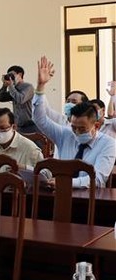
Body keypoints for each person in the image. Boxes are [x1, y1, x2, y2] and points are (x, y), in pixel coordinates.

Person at [33, 56, 116, 188]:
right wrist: (40, 86)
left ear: (96, 126)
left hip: (89, 198)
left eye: (82, 129)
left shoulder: (108, 143)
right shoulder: (65, 134)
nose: (76, 132)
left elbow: (98, 179)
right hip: (59, 192)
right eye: (74, 127)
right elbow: (40, 119)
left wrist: (67, 183)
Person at [0, 65, 37, 134]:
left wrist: (11, 86)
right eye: (9, 75)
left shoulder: (28, 87)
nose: (11, 77)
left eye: (12, 75)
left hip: (30, 126)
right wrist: (4, 85)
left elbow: (20, 99)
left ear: (20, 74)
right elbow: (1, 98)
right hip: (18, 126)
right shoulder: (13, 89)